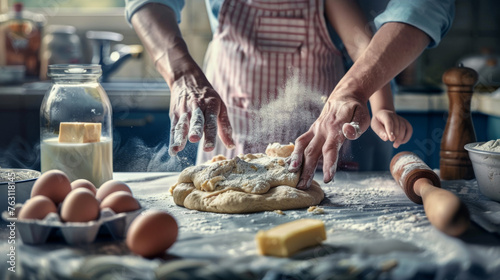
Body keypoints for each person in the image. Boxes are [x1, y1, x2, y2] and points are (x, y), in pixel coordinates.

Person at [125, 0, 454, 189]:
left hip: (315, 142)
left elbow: (362, 47)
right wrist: (181, 74)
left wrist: (382, 105)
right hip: (233, 141)